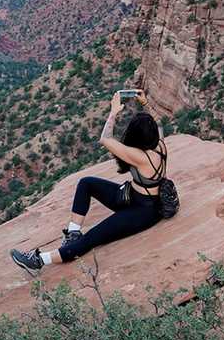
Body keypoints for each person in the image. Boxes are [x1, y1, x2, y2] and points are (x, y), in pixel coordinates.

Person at [10, 91, 180, 274]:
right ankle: (73, 233)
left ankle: (39, 260)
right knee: (86, 183)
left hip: (143, 211)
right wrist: (146, 103)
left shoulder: (140, 157)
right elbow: (159, 123)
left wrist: (114, 112)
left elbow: (105, 139)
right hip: (132, 197)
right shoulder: (160, 145)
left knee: (93, 237)